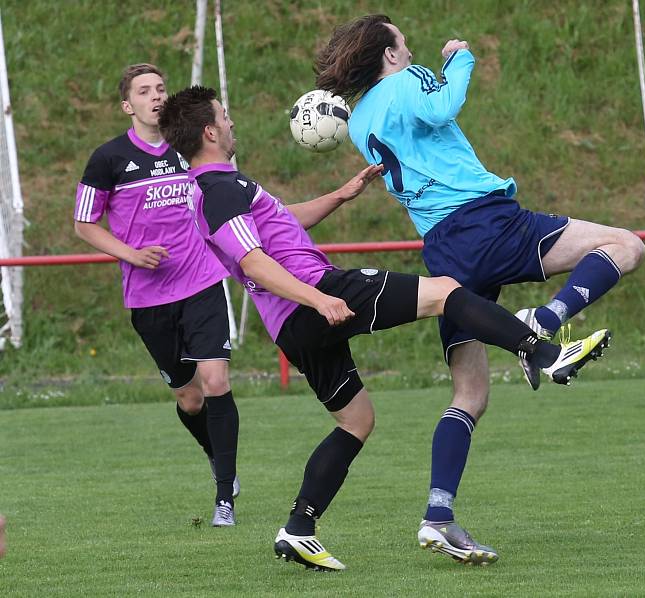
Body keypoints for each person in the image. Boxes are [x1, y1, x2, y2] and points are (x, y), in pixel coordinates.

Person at [157, 85, 609, 571]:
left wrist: (342, 195)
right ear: (208, 131)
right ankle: (541, 351)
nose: (230, 124)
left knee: (356, 421)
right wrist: (320, 298)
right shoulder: (218, 191)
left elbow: (280, 224)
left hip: (294, 322)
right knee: (444, 291)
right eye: (224, 117)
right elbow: (255, 261)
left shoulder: (223, 185)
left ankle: (299, 529)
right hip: (315, 296)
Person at [314, 14, 645, 564]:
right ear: (390, 55)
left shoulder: (358, 121)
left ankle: (438, 515)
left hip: (444, 250)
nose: (409, 45)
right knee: (625, 246)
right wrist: (459, 60)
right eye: (402, 39)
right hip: (486, 223)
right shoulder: (408, 79)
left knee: (469, 395)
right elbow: (442, 106)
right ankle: (546, 321)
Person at [73, 64, 240, 527]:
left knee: (216, 382)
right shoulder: (108, 159)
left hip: (202, 282)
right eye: (144, 91)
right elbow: (83, 224)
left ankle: (225, 495)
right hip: (148, 298)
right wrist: (131, 253)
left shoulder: (190, 150)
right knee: (189, 399)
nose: (156, 96)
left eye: (161, 89)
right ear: (128, 105)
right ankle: (216, 456)